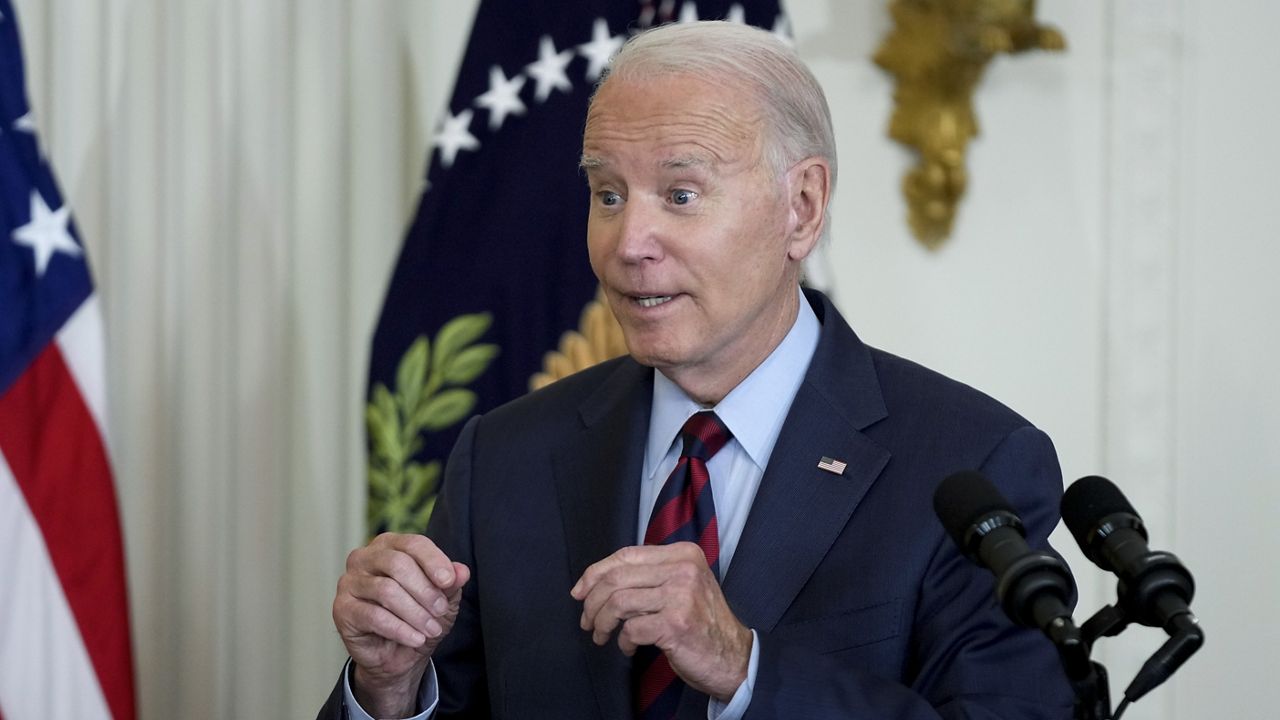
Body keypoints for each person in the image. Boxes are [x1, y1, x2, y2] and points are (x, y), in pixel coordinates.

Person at [320, 20, 1074, 720]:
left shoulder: (969, 466)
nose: (629, 242)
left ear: (802, 208)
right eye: (607, 195)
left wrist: (747, 668)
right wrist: (390, 690)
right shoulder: (504, 458)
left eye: (681, 194)